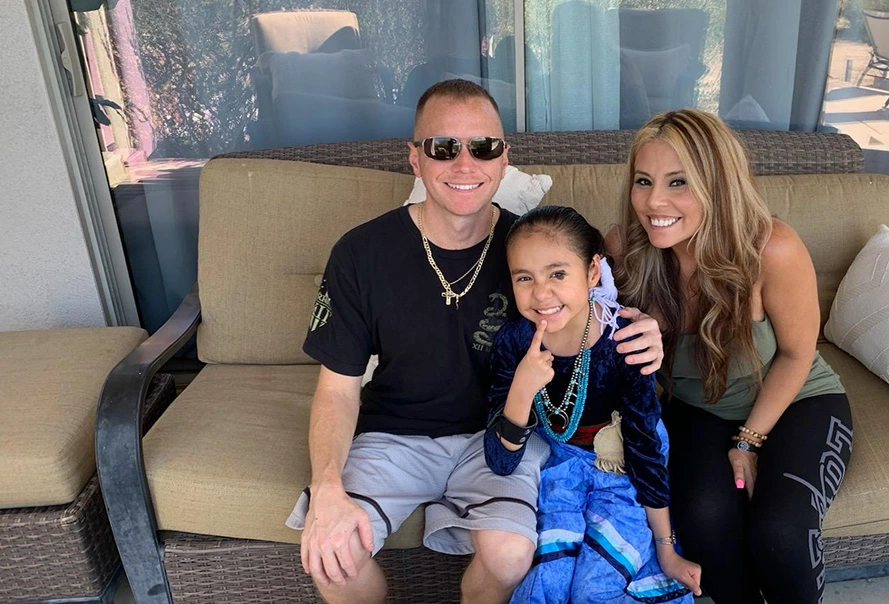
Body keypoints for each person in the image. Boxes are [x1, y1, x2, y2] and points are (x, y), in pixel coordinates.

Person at [285, 79, 666, 604]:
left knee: (510, 555)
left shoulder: (526, 250)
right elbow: (336, 389)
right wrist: (326, 486)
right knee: (334, 559)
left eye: (483, 147)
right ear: (415, 159)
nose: (466, 165)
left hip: (493, 438)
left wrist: (642, 327)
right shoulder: (361, 252)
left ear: (504, 158)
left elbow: (590, 306)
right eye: (444, 148)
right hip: (391, 435)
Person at [613, 109, 854, 603]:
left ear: (717, 184)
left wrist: (748, 441)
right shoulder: (625, 250)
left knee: (781, 530)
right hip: (698, 410)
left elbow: (796, 354)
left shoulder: (772, 248)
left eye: (678, 182)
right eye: (644, 181)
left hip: (796, 400)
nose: (654, 201)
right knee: (703, 519)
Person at [483, 205, 701, 604]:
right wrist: (522, 387)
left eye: (558, 274)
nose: (542, 293)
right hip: (560, 468)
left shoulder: (623, 341)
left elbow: (644, 448)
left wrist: (667, 548)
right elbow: (501, 461)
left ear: (593, 272)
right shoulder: (515, 342)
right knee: (548, 584)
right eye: (524, 278)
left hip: (621, 468)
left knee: (594, 591)